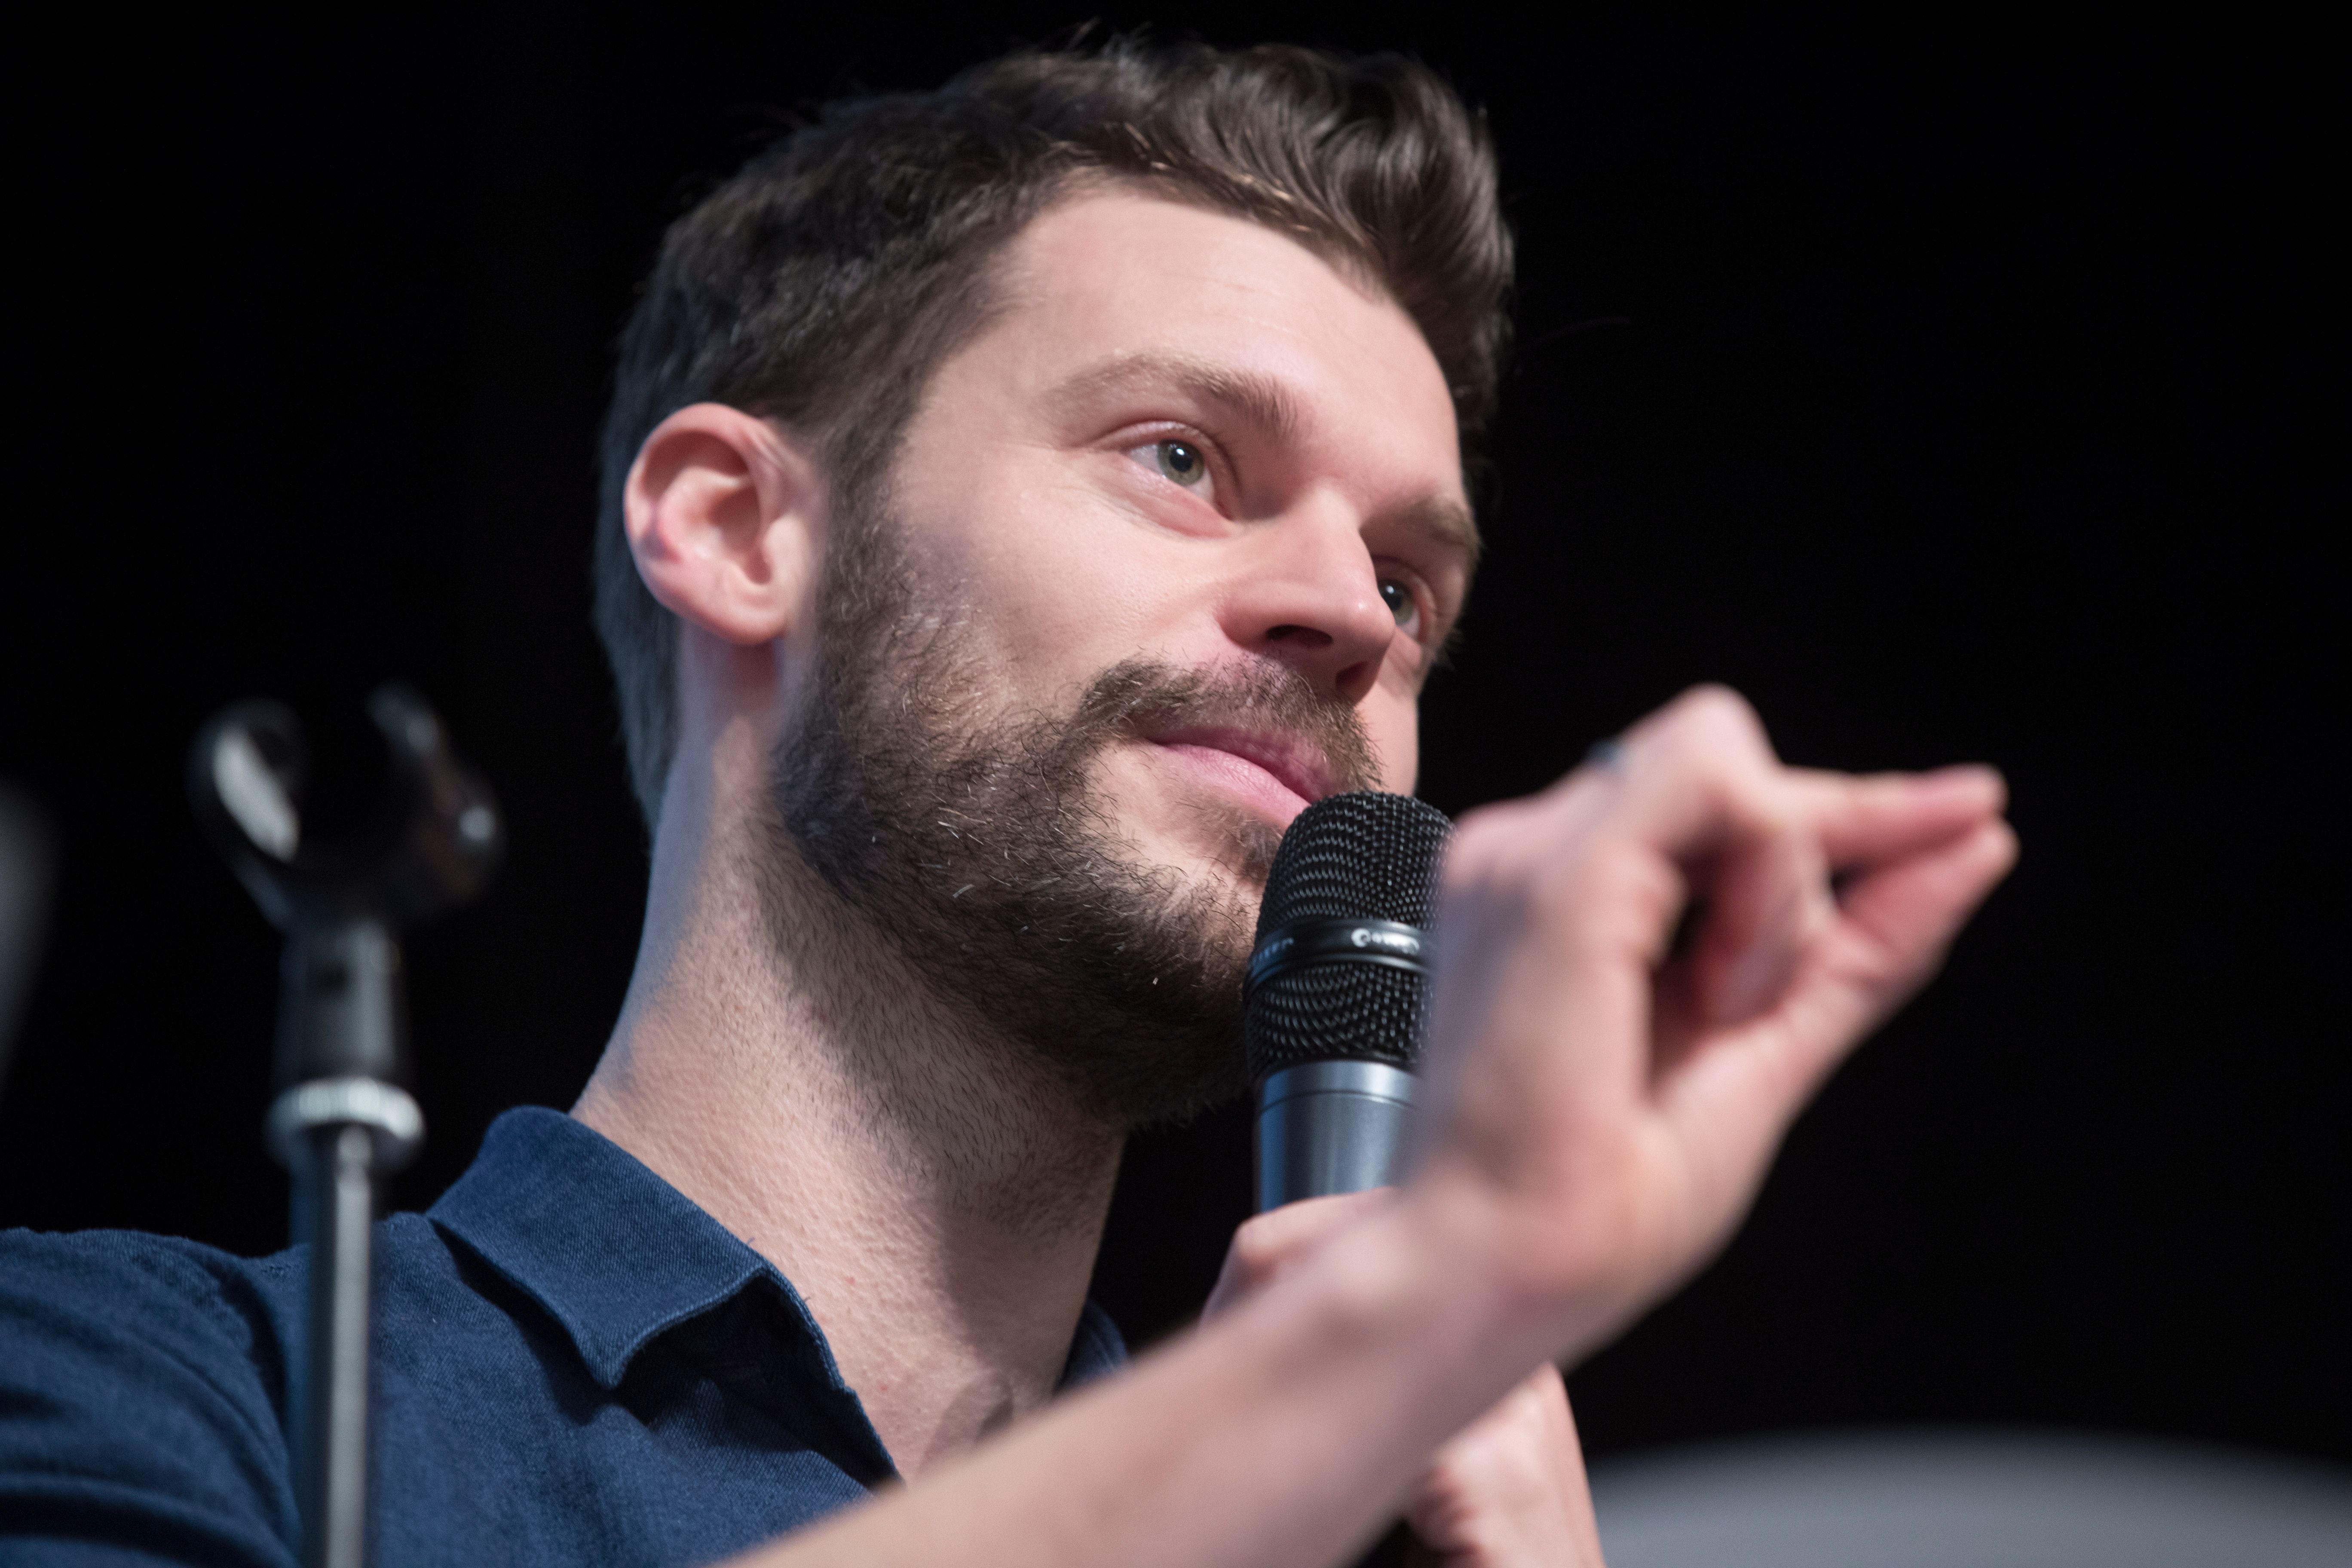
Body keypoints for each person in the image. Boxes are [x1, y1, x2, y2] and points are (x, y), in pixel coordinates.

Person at [0, 39, 2015, 1568]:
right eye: (1181, 457)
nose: (1349, 615)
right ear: (740, 532)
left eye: (1413, 586)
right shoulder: (157, 1389)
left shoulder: (1385, 1510)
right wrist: (1368, 1354)